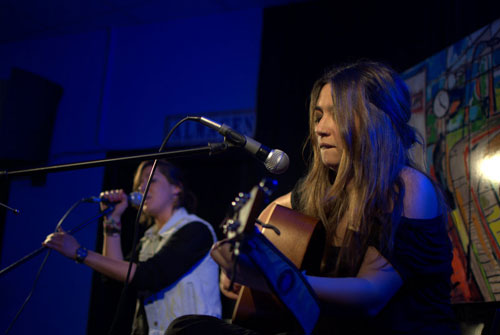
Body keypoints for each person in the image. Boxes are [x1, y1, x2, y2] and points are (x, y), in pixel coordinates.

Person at [165, 61, 460, 334]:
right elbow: (271, 212)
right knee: (188, 328)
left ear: (375, 120)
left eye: (336, 114)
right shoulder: (326, 192)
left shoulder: (409, 187)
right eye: (318, 116)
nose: (319, 128)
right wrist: (239, 257)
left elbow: (372, 293)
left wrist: (277, 281)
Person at [43, 160, 222, 335]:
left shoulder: (196, 229)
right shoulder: (147, 240)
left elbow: (149, 275)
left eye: (151, 180)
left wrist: (80, 252)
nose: (142, 188)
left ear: (177, 188)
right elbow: (116, 277)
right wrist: (112, 220)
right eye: (139, 184)